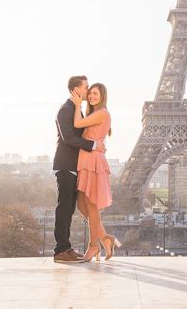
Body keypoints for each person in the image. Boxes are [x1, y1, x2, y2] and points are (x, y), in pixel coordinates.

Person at [53, 75, 105, 263]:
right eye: (86, 87)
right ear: (76, 89)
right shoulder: (65, 110)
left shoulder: (74, 109)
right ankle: (60, 250)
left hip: (73, 167)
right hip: (66, 166)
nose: (88, 90)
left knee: (68, 209)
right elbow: (69, 139)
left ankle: (66, 248)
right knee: (64, 208)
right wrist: (93, 145)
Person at [70, 82, 121, 261]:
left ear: (102, 96)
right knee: (82, 206)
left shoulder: (102, 113)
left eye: (95, 94)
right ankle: (106, 239)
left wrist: (77, 104)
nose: (91, 96)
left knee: (90, 205)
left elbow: (77, 123)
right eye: (90, 93)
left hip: (92, 160)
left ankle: (93, 246)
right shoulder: (95, 114)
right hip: (86, 159)